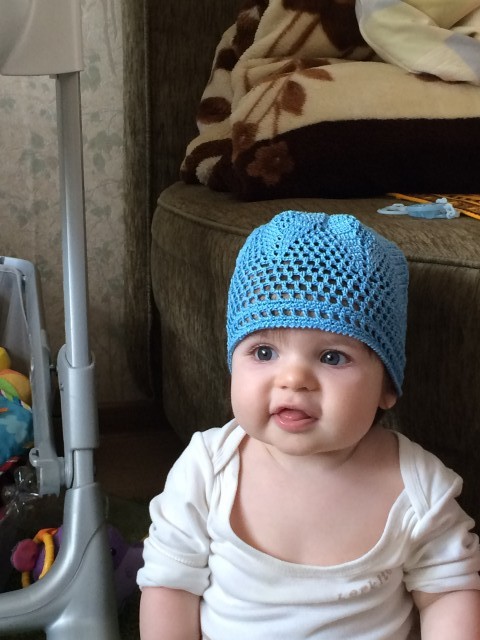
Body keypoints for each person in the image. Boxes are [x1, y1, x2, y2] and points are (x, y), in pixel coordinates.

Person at [137, 211, 480, 639]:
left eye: (332, 357)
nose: (293, 379)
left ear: (387, 387)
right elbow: (170, 584)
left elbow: (448, 593)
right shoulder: (207, 469)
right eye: (264, 352)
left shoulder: (418, 488)